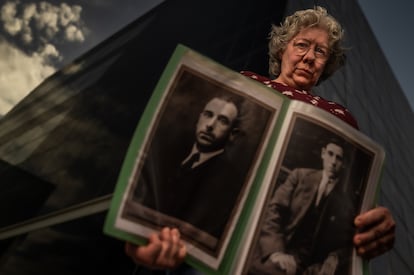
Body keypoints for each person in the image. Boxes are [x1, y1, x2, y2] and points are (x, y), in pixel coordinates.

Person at [125, 6, 396, 274]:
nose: (310, 57)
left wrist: (374, 225)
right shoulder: (243, 83)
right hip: (217, 246)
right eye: (302, 45)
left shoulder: (341, 117)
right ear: (282, 49)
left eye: (320, 51)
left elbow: (352, 198)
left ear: (327, 63)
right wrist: (147, 230)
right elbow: (196, 164)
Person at [129, 95, 245, 251]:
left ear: (233, 134)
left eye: (222, 121)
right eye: (208, 115)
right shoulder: (165, 152)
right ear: (199, 118)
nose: (210, 125)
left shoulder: (230, 181)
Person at [249, 137, 358, 275]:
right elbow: (273, 211)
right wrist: (276, 251)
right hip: (279, 248)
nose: (333, 162)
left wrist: (334, 258)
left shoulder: (346, 203)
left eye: (339, 158)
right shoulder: (300, 176)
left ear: (344, 164)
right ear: (323, 153)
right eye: (330, 154)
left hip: (311, 266)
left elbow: (348, 243)